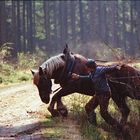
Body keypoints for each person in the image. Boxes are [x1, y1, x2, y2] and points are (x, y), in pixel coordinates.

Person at [71, 59, 123, 131]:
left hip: (104, 94)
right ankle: (94, 126)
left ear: (90, 67)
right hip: (98, 94)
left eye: (87, 67)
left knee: (104, 113)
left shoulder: (100, 70)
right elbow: (89, 78)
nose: (86, 68)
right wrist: (78, 77)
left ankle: (118, 127)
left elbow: (108, 68)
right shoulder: (92, 73)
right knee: (88, 107)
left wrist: (116, 67)